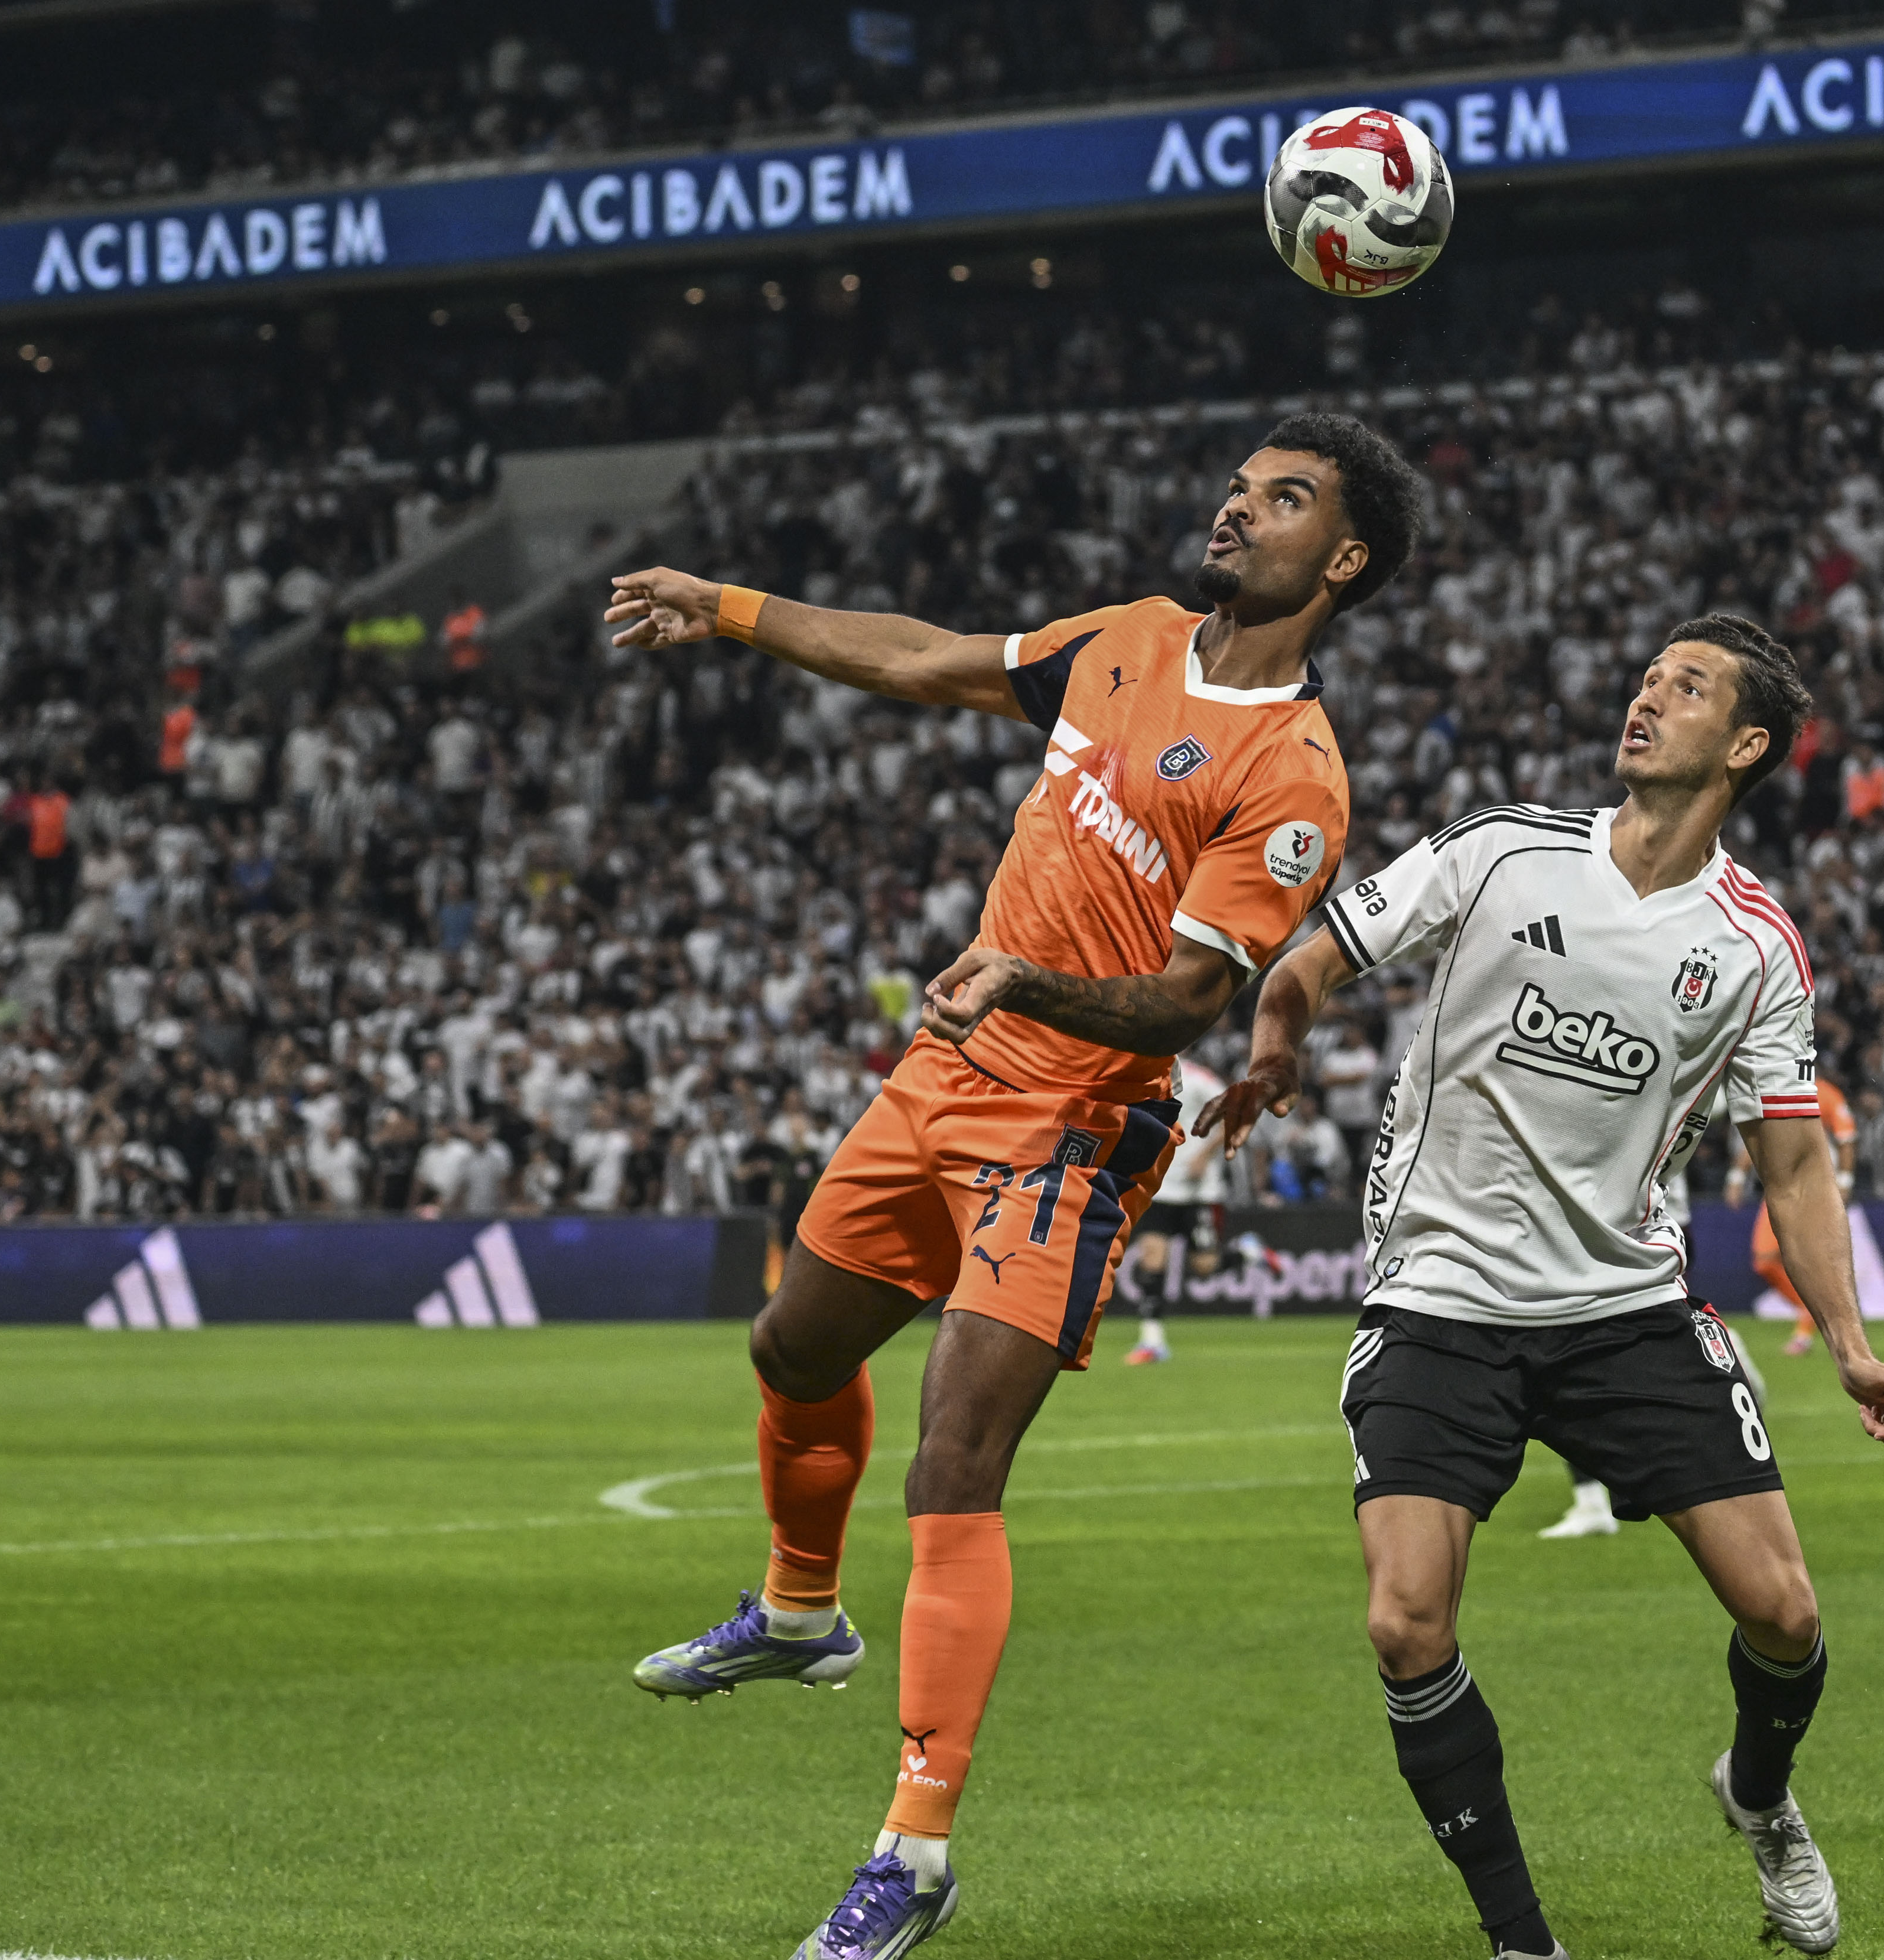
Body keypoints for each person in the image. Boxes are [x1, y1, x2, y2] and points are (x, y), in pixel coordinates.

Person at [602, 411, 1421, 1960]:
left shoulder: (1294, 768)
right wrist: (729, 606)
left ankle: (911, 1852)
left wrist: (1028, 981)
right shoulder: (1122, 637)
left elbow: (1187, 1003)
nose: (1237, 512)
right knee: (791, 1349)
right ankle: (796, 1613)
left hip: (1076, 1125)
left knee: (954, 1459)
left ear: (1348, 557)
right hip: (946, 1079)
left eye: (1284, 499)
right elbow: (923, 661)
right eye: (1240, 489)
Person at [1215, 615, 1884, 1960]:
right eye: (1648, 671)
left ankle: (1760, 1798)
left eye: (1689, 685)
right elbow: (1318, 954)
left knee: (1785, 1615)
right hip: (1440, 1295)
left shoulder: (1757, 945)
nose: (1648, 693)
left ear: (1749, 745)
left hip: (1622, 1309)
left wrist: (1848, 1343)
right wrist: (1277, 1033)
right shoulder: (1502, 853)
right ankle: (1522, 1944)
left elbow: (1792, 1156)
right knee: (1404, 1620)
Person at [1723, 1075, 1857, 1357]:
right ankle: (1811, 1309)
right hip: (1778, 1187)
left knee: (1811, 1260)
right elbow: (1761, 1140)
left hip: (1815, 1187)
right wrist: (1737, 1176)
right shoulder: (1772, 1089)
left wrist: (1844, 1183)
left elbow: (1846, 1138)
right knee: (1764, 1261)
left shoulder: (1825, 1093)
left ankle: (1804, 1334)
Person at [1116, 1050, 1229, 1364]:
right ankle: (1152, 1341)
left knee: (1204, 1268)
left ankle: (1247, 1253)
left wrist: (1205, 1156)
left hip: (1199, 1190)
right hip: (1160, 1187)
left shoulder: (1200, 1078)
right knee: (1153, 1259)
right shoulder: (1144, 1074)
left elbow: (1232, 1112)